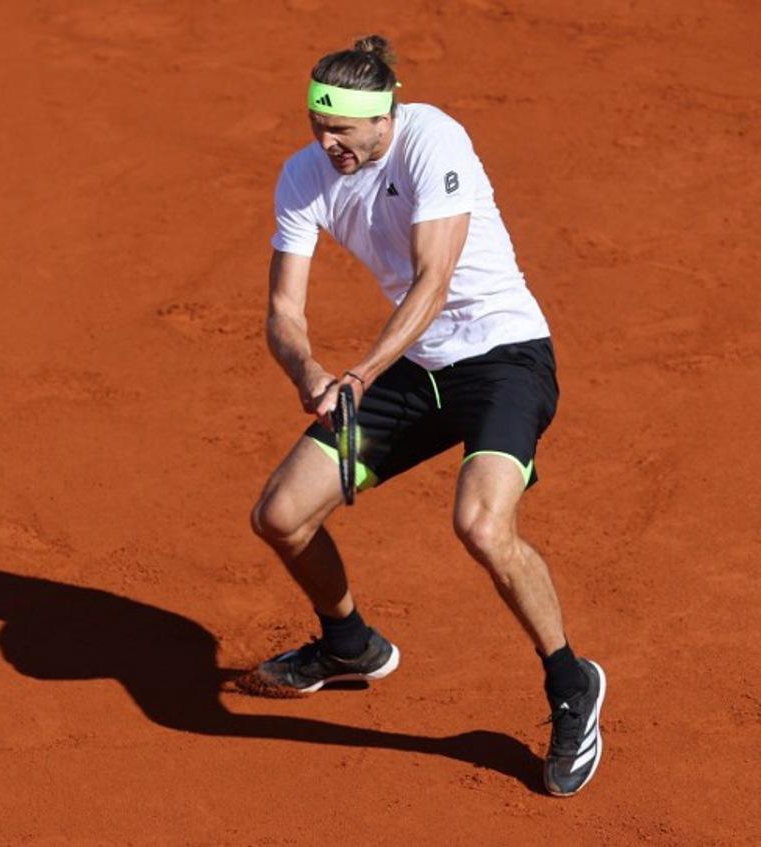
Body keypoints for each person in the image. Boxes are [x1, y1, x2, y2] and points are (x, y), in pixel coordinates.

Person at [246, 34, 605, 796]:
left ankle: (572, 682)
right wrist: (308, 369)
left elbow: (433, 283)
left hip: (505, 358)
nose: (327, 143)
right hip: (419, 370)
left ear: (385, 116)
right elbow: (282, 310)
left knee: (480, 524)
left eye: (343, 129)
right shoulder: (304, 176)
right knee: (281, 514)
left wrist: (363, 371)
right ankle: (348, 644)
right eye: (318, 126)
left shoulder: (433, 138)